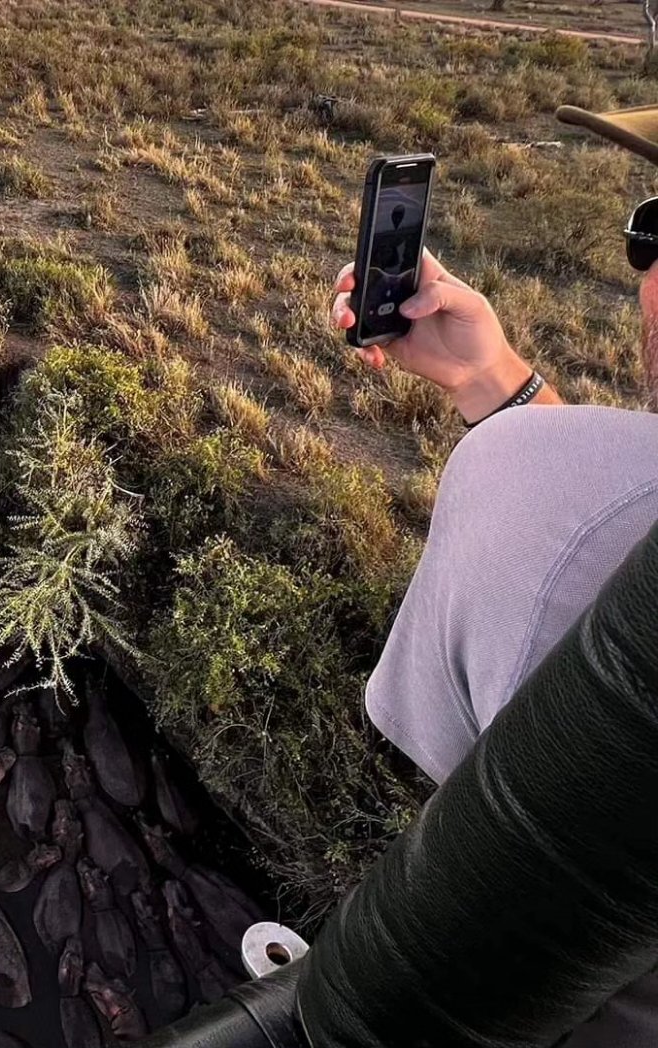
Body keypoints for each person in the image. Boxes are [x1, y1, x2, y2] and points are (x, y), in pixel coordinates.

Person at [330, 103, 658, 1047]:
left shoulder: (533, 493)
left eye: (654, 225)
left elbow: (444, 775)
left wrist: (517, 440)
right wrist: (494, 380)